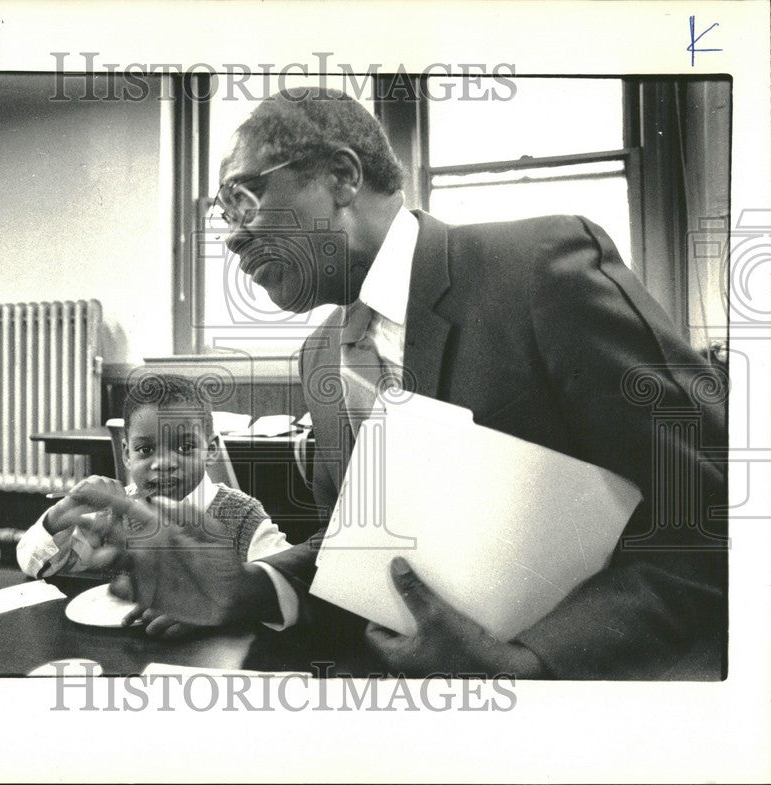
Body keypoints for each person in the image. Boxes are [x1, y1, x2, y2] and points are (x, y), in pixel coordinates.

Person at [63, 88, 727, 679]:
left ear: (341, 176)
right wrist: (247, 589)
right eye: (221, 214)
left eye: (242, 197)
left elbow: (712, 519)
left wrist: (530, 665)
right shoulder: (320, 359)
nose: (233, 239)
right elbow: (360, 546)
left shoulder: (539, 271)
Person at [15, 372, 294, 637]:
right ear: (127, 454)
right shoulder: (114, 511)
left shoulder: (242, 515)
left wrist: (225, 609)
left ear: (210, 450)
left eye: (184, 448)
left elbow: (286, 586)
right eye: (146, 450)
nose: (162, 464)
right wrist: (58, 517)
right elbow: (33, 566)